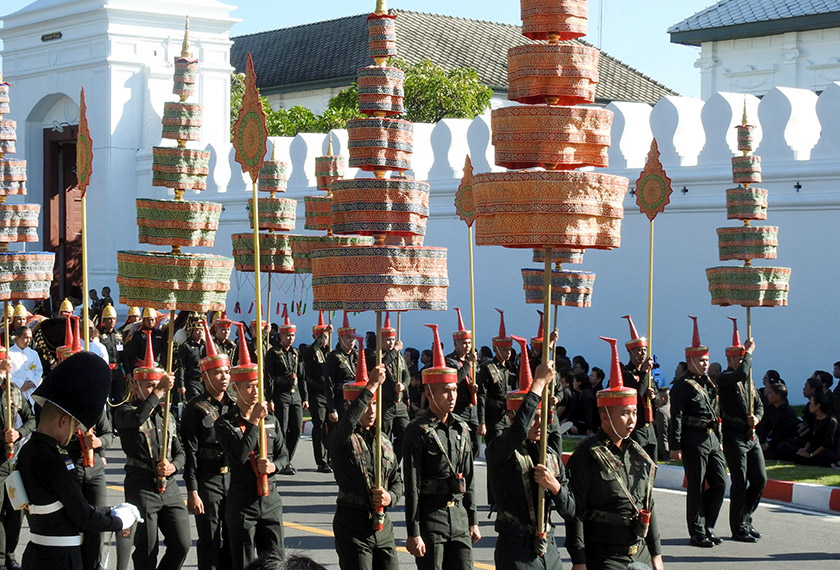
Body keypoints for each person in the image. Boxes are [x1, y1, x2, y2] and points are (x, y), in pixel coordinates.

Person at [13, 352, 142, 570]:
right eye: (74, 428)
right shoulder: (57, 460)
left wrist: (109, 511)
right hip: (62, 559)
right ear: (64, 420)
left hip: (35, 554)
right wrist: (119, 520)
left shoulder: (27, 451)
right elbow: (82, 515)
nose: (73, 435)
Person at [566, 337, 663, 570]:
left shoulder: (639, 455)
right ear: (604, 416)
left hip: (638, 554)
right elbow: (575, 513)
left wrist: (656, 555)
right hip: (604, 556)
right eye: (624, 414)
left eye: (633, 413)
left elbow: (649, 505)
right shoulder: (586, 456)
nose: (631, 420)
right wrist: (579, 561)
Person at [486, 336, 574, 570]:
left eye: (541, 416)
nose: (538, 422)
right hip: (516, 548)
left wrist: (554, 486)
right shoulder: (500, 448)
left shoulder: (549, 453)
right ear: (513, 417)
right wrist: (536, 385)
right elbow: (517, 433)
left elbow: (571, 510)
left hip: (549, 548)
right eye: (532, 416)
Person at [403, 324, 480, 570]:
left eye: (455, 390)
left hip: (459, 519)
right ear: (429, 392)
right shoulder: (418, 431)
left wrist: (473, 519)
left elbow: (468, 479)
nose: (452, 396)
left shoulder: (462, 428)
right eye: (445, 391)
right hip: (431, 519)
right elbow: (412, 485)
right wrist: (414, 531)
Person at [113, 331, 190, 570]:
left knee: (182, 544)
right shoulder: (124, 411)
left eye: (157, 386)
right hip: (142, 485)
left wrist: (173, 466)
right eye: (149, 386)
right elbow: (137, 419)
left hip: (170, 486)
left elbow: (181, 452)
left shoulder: (165, 416)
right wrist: (157, 394)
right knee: (147, 548)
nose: (154, 390)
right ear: (136, 387)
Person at [215, 323, 287, 570]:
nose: (255, 391)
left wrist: (274, 466)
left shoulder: (272, 420)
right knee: (244, 563)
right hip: (242, 502)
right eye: (248, 386)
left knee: (276, 563)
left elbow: (284, 455)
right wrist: (254, 420)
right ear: (235, 390)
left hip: (271, 501)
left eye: (257, 385)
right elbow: (238, 456)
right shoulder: (225, 423)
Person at [327, 340, 402, 570]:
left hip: (383, 525)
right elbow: (349, 422)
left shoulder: (383, 438)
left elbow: (397, 480)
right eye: (366, 406)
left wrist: (391, 497)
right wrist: (370, 387)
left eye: (374, 405)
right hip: (353, 524)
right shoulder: (340, 436)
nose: (371, 412)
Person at [180, 320, 234, 570]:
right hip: (208, 478)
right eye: (217, 373)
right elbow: (189, 453)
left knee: (232, 537)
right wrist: (192, 490)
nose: (224, 378)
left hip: (232, 478)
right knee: (210, 538)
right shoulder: (194, 409)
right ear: (204, 377)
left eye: (226, 372)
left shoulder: (235, 405)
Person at [669, 317, 727, 548]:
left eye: (707, 360)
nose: (705, 364)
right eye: (701, 361)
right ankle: (696, 531)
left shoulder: (709, 384)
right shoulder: (683, 385)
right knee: (696, 485)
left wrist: (719, 439)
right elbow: (676, 416)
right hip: (692, 439)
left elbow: (717, 412)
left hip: (712, 438)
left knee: (720, 483)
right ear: (690, 360)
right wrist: (675, 446)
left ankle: (708, 525)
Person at [717, 318, 764, 543]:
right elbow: (740, 374)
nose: (741, 360)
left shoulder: (750, 378)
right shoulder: (725, 377)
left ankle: (746, 518)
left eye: (741, 356)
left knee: (760, 479)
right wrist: (749, 354)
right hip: (734, 433)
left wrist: (757, 417)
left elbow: (760, 404)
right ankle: (738, 527)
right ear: (730, 358)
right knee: (740, 481)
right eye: (738, 356)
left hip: (750, 434)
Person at [0, 349, 35, 570]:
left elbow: (32, 418)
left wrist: (19, 433)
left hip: (14, 460)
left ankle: (10, 554)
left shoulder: (12, 390)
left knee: (16, 510)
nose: (8, 365)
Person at [264, 305, 308, 476]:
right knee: (281, 428)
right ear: (280, 335)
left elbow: (302, 376)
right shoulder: (273, 353)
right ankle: (280, 459)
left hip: (295, 394)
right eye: (287, 335)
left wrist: (304, 397)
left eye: (292, 335)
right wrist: (269, 399)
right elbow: (268, 377)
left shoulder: (296, 353)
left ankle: (287, 458)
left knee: (296, 428)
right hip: (280, 394)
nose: (290, 338)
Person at [368, 313, 410, 461]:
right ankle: (381, 463)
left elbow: (407, 375)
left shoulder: (399, 356)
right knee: (383, 436)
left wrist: (403, 386)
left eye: (393, 339)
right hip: (384, 402)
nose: (391, 342)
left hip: (399, 404)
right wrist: (395, 350)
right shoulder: (375, 354)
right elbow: (382, 364)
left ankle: (394, 463)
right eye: (388, 339)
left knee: (405, 435)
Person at [477, 309, 517, 447]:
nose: (508, 353)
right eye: (505, 350)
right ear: (496, 349)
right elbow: (482, 395)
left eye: (510, 350)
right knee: (495, 450)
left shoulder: (512, 368)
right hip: (493, 416)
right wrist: (481, 422)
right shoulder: (487, 367)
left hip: (508, 416)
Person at [300, 311, 333, 473]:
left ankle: (332, 456)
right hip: (316, 393)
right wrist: (323, 336)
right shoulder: (308, 350)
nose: (325, 340)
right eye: (321, 337)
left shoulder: (330, 353)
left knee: (332, 426)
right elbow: (312, 351)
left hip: (330, 394)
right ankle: (321, 460)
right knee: (319, 425)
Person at [620, 315, 658, 460]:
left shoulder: (648, 375)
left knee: (653, 466)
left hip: (649, 428)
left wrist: (654, 397)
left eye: (644, 350)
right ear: (630, 353)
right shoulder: (627, 374)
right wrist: (644, 373)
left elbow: (657, 402)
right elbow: (637, 394)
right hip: (636, 427)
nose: (642, 354)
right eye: (638, 351)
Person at [445, 308, 479, 457]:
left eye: (469, 343)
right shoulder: (450, 360)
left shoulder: (471, 360)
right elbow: (456, 379)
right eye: (464, 343)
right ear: (456, 343)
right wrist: (468, 365)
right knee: (459, 444)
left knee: (476, 446)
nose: (467, 346)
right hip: (459, 408)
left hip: (473, 409)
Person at [777, 392, 839, 466]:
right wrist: (805, 449)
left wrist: (811, 455)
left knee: (824, 456)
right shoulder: (813, 418)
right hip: (813, 447)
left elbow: (826, 443)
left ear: (818, 405)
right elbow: (810, 437)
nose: (809, 406)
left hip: (824, 450)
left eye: (811, 403)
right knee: (786, 447)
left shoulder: (831, 421)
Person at [325, 312, 358, 423]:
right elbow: (329, 383)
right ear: (340, 339)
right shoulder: (334, 356)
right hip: (340, 400)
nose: (352, 341)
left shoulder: (356, 355)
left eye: (353, 338)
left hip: (355, 399)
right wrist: (332, 408)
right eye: (348, 338)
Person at [757, 381, 799, 459]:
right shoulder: (770, 409)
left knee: (782, 447)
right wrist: (761, 442)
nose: (768, 396)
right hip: (773, 439)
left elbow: (784, 432)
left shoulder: (787, 411)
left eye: (770, 393)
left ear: (778, 396)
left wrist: (769, 444)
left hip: (786, 439)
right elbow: (765, 426)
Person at [8, 325, 43, 408]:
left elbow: (39, 370)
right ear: (17, 338)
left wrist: (33, 382)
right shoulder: (9, 353)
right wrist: (20, 384)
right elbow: (7, 374)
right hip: (16, 392)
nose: (28, 341)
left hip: (32, 390)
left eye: (30, 338)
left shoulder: (33, 353)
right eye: (26, 338)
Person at [98, 304, 126, 405]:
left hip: (118, 371)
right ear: (104, 320)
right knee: (107, 399)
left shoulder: (118, 334)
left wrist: (128, 372)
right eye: (109, 319)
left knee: (120, 398)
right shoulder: (99, 334)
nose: (112, 321)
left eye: (114, 319)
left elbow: (123, 354)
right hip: (105, 371)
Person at [177, 313, 207, 403]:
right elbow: (181, 366)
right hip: (191, 381)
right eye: (197, 330)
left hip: (204, 381)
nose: (200, 332)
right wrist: (181, 385)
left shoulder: (205, 345)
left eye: (201, 330)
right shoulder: (186, 346)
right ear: (191, 331)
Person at [655, 387, 671, 462]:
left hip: (668, 449)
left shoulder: (661, 411)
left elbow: (663, 435)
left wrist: (666, 456)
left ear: (662, 399)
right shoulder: (675, 408)